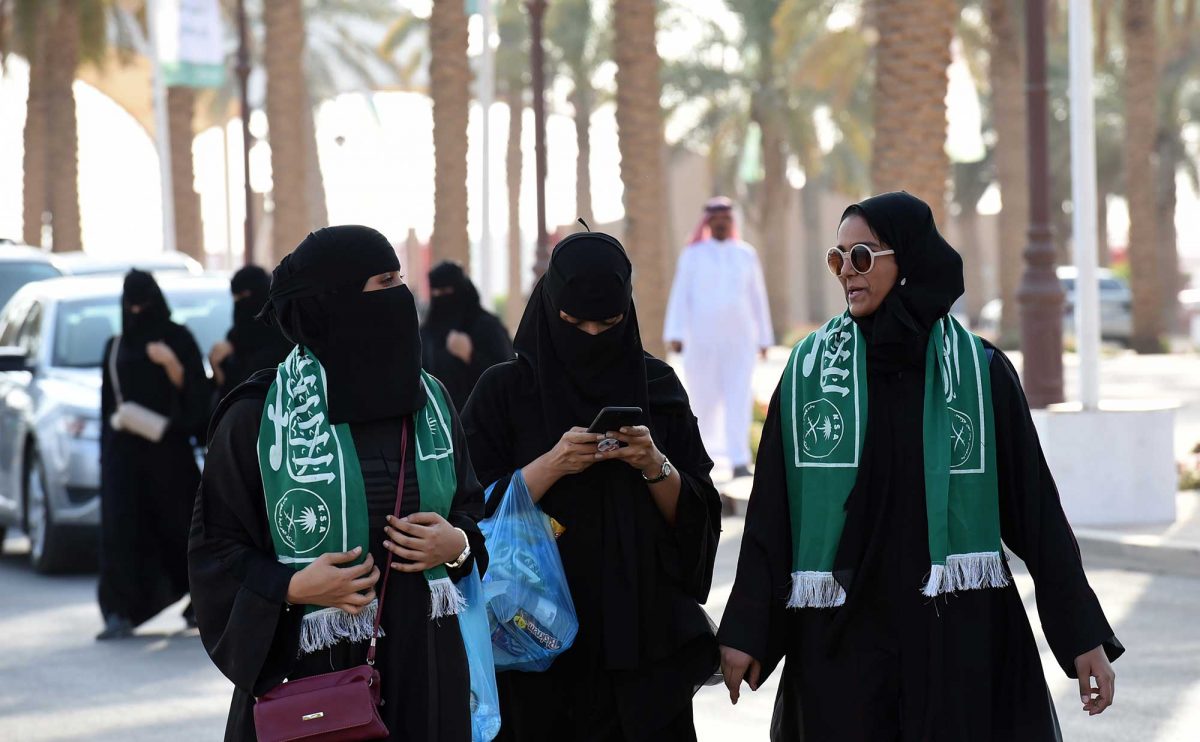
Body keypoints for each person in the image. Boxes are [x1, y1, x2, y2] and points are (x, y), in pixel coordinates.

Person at [717, 192, 1123, 741]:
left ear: (906, 258)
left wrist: (1082, 637)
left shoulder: (980, 374)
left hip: (958, 637)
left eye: (862, 257)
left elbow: (1036, 512)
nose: (846, 274)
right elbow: (772, 515)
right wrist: (746, 629)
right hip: (844, 638)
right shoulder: (810, 373)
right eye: (837, 259)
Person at [188, 226, 488, 741]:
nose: (402, 295)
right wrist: (294, 587)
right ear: (336, 301)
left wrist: (456, 545)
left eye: (400, 278)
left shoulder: (430, 405)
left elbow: (469, 513)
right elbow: (217, 549)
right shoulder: (259, 419)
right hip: (314, 683)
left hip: (426, 667)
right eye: (384, 281)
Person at [462, 229, 723, 741]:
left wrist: (654, 465)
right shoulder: (505, 392)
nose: (590, 335)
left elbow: (698, 516)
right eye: (572, 322)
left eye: (608, 323)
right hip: (530, 643)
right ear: (548, 305)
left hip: (640, 647)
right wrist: (551, 465)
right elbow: (465, 511)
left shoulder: (657, 387)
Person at [98, 269, 210, 640]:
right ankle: (118, 611)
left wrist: (172, 365)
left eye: (143, 303)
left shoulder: (178, 339)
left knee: (182, 528)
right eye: (131, 305)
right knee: (121, 529)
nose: (137, 311)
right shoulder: (116, 346)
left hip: (169, 455)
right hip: (124, 458)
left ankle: (199, 603)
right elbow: (106, 410)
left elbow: (198, 399)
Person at [663, 197, 774, 479]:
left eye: (726, 218)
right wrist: (675, 333)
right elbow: (680, 295)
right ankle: (706, 459)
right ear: (709, 222)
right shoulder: (692, 255)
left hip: (740, 342)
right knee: (704, 401)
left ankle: (739, 461)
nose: (722, 222)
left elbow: (757, 297)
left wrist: (764, 337)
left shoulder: (746, 254)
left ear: (731, 221)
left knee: (739, 398)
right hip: (701, 342)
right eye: (717, 218)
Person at [420, 260, 514, 410]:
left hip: (482, 421)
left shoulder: (487, 327)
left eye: (447, 291)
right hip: (439, 423)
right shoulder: (427, 333)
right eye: (435, 293)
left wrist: (470, 356)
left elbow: (509, 377)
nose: (440, 298)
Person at [208, 265, 293, 403]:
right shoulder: (234, 340)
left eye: (244, 297)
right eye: (236, 299)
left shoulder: (285, 339)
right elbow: (227, 397)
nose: (239, 305)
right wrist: (217, 365)